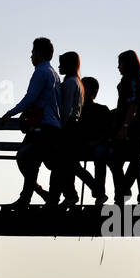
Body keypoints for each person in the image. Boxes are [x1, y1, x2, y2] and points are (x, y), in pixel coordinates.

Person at [1, 37, 62, 207]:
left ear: (39, 53)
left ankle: (31, 197)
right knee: (33, 160)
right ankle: (40, 195)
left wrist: (11, 113)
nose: (31, 56)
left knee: (25, 157)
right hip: (52, 125)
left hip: (42, 126)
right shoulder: (54, 74)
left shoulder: (41, 72)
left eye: (33, 52)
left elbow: (31, 97)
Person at [107, 50, 140, 205]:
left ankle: (131, 195)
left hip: (135, 127)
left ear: (127, 64)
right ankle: (126, 193)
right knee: (129, 161)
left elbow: (133, 105)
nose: (118, 67)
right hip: (135, 126)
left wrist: (125, 126)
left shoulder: (131, 80)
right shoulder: (135, 80)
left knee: (135, 162)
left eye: (120, 63)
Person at [50, 50, 84, 204]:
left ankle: (62, 196)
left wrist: (60, 127)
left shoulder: (70, 82)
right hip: (74, 127)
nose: (59, 66)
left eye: (61, 63)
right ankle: (68, 195)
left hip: (68, 127)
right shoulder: (78, 82)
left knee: (61, 164)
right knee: (67, 165)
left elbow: (66, 108)